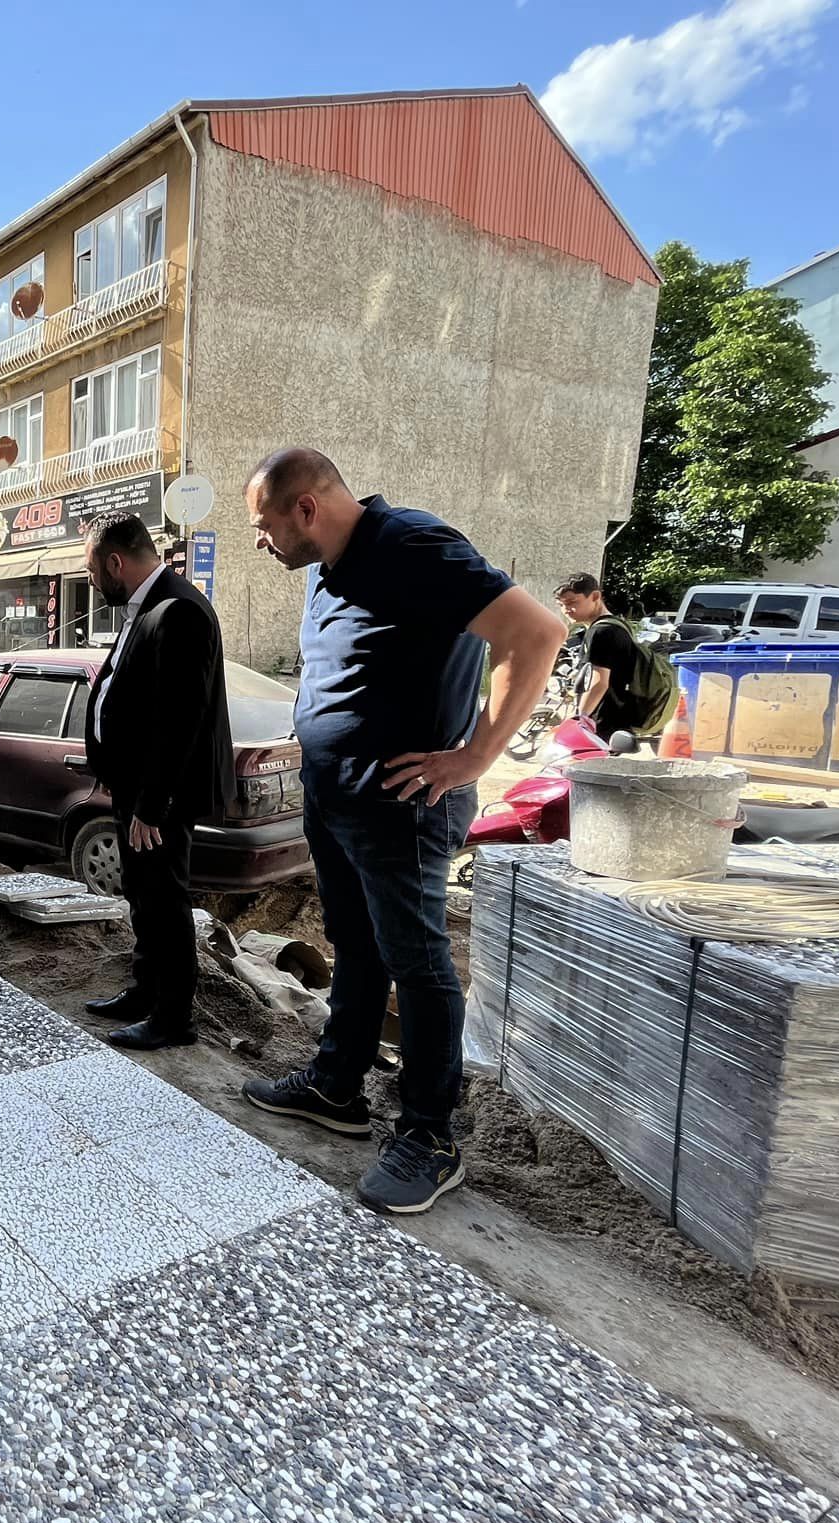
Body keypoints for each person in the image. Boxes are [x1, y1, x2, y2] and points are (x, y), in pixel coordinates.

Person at [239, 449, 565, 1215]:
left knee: (418, 964)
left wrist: (475, 755)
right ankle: (338, 1085)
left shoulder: (413, 546)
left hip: (402, 805)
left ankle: (430, 1135)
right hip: (336, 798)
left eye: (264, 524)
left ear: (307, 508)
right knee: (353, 944)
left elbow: (536, 636)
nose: (261, 540)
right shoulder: (327, 568)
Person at [79, 511, 234, 1050]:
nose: (92, 581)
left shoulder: (179, 610)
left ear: (115, 561)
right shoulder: (146, 605)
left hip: (159, 800)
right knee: (142, 894)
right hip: (137, 790)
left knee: (165, 901)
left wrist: (151, 803)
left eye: (92, 569)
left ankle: (173, 1018)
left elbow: (180, 719)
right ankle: (146, 991)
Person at [555, 573, 673, 740]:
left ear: (595, 596)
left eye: (572, 602)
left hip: (603, 724)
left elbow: (599, 682)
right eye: (561, 604)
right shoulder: (619, 626)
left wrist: (581, 720)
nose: (566, 610)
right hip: (618, 722)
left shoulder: (602, 631)